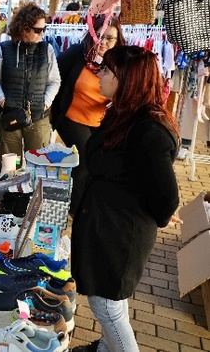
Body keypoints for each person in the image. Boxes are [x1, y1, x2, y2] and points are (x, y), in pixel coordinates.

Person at [70, 46, 179, 352]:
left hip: (121, 234)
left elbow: (167, 199)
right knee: (112, 300)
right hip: (108, 224)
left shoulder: (148, 130)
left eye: (106, 70)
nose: (99, 75)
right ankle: (106, 346)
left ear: (126, 78)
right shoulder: (122, 114)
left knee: (107, 305)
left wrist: (148, 215)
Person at [51, 15, 125, 212]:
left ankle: (89, 203)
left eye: (110, 38)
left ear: (118, 40)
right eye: (99, 35)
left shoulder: (121, 63)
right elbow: (54, 76)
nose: (103, 42)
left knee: (99, 163)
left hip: (101, 121)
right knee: (84, 161)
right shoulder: (77, 53)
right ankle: (75, 210)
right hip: (71, 118)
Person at [0, 2, 61, 157]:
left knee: (37, 164)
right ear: (24, 28)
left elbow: (54, 81)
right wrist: (2, 100)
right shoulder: (4, 48)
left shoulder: (47, 49)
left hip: (38, 119)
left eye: (44, 29)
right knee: (11, 168)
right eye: (38, 30)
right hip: (9, 117)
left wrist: (45, 102)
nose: (42, 33)